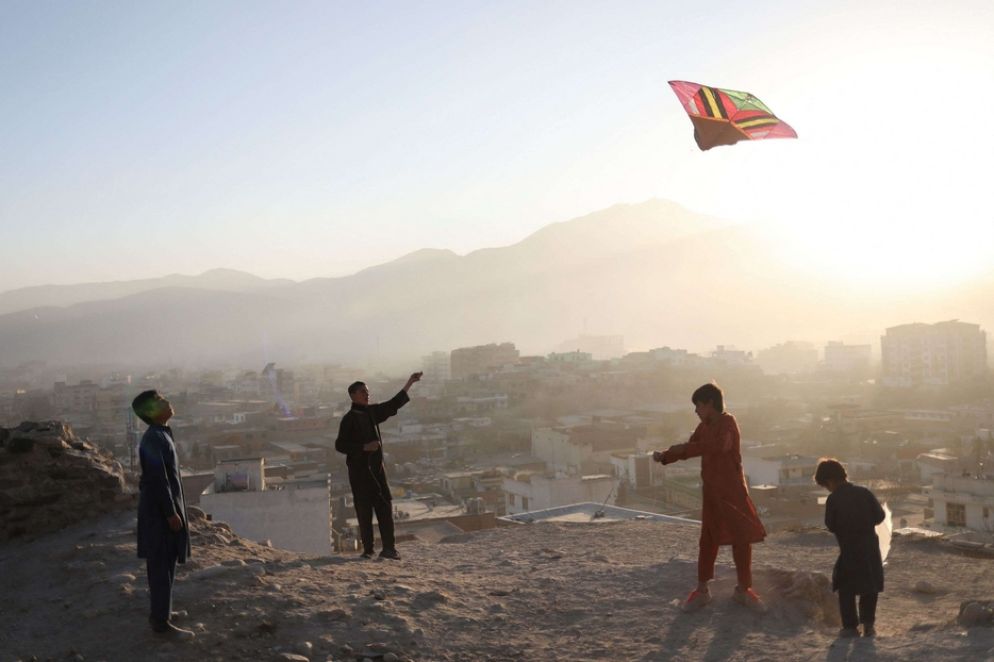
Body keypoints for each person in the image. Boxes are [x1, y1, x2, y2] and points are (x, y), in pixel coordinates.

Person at [653, 383, 767, 612]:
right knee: (708, 539)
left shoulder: (728, 423)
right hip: (712, 491)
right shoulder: (704, 426)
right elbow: (692, 448)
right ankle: (702, 589)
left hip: (732, 490)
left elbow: (719, 446)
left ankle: (744, 590)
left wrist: (681, 448)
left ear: (710, 404)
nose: (696, 410)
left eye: (698, 405)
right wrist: (666, 456)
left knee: (741, 539)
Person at [336, 372, 422, 559]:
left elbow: (392, 405)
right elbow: (340, 445)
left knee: (385, 508)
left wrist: (409, 383)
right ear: (353, 395)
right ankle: (368, 550)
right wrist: (364, 447)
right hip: (359, 474)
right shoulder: (348, 419)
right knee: (364, 512)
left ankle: (389, 549)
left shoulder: (372, 413)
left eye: (368, 391)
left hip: (377, 472)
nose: (367, 394)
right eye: (363, 392)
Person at [133, 390, 194, 639]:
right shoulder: (154, 439)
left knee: (167, 562)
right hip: (159, 515)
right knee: (160, 567)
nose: (167, 400)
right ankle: (161, 622)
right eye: (159, 400)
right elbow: (158, 480)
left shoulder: (161, 435)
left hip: (163, 511)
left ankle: (163, 611)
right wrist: (170, 513)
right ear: (151, 411)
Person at [815, 458, 885, 638]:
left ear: (829, 481)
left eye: (825, 485)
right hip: (869, 547)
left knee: (846, 587)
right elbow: (879, 516)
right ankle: (868, 625)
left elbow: (830, 525)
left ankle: (850, 626)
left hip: (849, 549)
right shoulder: (864, 492)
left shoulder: (833, 499)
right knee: (869, 586)